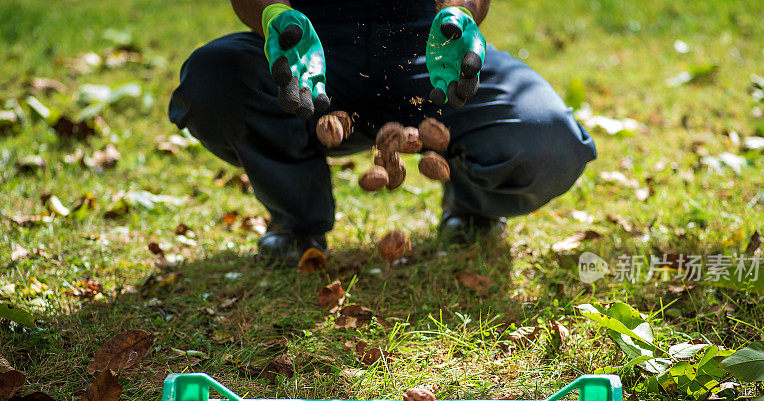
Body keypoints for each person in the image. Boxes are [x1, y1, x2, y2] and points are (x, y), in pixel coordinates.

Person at [168, 0, 596, 264]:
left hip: (430, 60)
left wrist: (459, 13)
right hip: (312, 63)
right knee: (213, 79)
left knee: (549, 139)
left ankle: (470, 208)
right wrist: (273, 14)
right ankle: (296, 221)